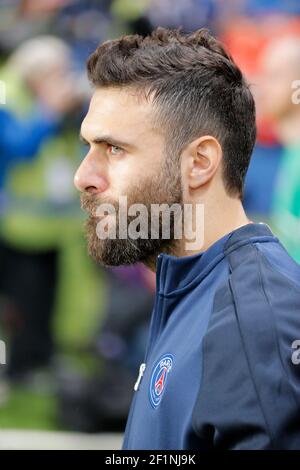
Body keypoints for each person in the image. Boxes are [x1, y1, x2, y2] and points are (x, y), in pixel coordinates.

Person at [74, 28, 300, 450]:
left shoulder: (255, 325)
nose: (83, 177)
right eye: (88, 146)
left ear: (199, 163)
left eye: (114, 149)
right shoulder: (192, 288)